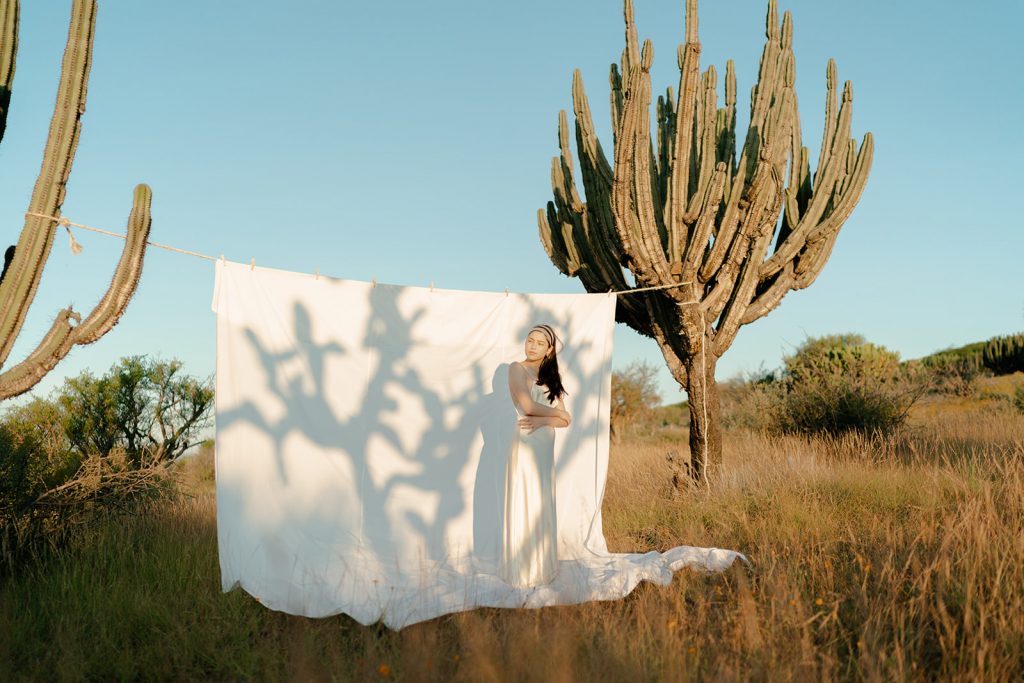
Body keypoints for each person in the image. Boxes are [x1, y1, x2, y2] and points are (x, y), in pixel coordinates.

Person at [499, 323, 571, 587]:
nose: (532, 346)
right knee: (525, 499)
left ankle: (543, 567)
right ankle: (522, 570)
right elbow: (528, 406)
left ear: (549, 349)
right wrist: (560, 414)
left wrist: (547, 421)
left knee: (540, 502)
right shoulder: (516, 369)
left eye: (540, 343)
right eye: (530, 340)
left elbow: (565, 421)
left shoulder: (550, 376)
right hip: (525, 444)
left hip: (543, 447)